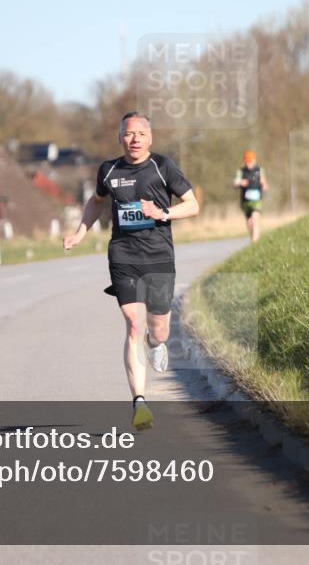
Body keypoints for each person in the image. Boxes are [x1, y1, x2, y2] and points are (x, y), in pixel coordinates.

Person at [63, 112, 199, 430]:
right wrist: (80, 232)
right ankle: (139, 400)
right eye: (128, 133)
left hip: (159, 256)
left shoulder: (162, 166)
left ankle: (157, 343)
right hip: (123, 254)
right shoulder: (108, 170)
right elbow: (96, 203)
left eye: (140, 133)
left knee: (157, 328)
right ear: (120, 138)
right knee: (132, 325)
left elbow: (192, 204)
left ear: (150, 138)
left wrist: (163, 212)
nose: (134, 138)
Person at [234, 150, 268, 243]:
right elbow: (235, 183)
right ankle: (253, 237)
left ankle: (254, 243)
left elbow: (264, 181)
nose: (249, 163)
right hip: (245, 201)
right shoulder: (241, 171)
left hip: (257, 199)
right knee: (249, 222)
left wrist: (264, 184)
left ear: (254, 160)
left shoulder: (259, 170)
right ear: (244, 161)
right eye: (247, 161)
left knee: (255, 219)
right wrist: (240, 182)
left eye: (250, 161)